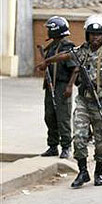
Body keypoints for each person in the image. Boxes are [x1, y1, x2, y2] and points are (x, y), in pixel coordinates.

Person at [36, 15, 102, 188]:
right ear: (87, 35)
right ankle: (83, 172)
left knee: (100, 141)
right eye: (92, 34)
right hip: (84, 100)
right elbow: (65, 56)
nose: (95, 37)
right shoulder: (81, 51)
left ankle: (99, 171)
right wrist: (47, 61)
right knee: (79, 137)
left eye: (98, 34)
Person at [40, 16, 77, 159]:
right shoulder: (52, 47)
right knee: (49, 116)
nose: (48, 31)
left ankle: (66, 146)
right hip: (50, 86)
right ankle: (53, 146)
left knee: (63, 117)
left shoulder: (67, 47)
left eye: (50, 28)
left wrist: (69, 87)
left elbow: (75, 69)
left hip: (62, 86)